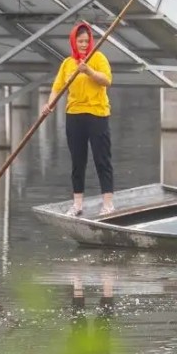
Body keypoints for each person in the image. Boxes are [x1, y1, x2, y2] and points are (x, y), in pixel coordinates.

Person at [41, 21, 115, 218]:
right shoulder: (67, 63)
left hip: (97, 114)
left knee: (102, 158)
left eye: (86, 40)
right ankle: (77, 204)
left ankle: (107, 203)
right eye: (80, 41)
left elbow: (107, 80)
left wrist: (88, 71)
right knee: (77, 160)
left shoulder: (98, 58)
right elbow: (57, 87)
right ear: (73, 42)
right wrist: (50, 104)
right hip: (74, 114)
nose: (83, 44)